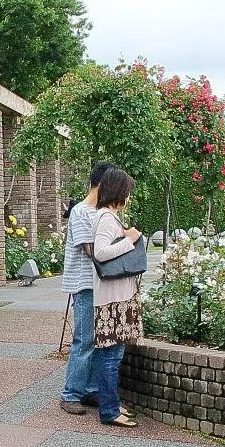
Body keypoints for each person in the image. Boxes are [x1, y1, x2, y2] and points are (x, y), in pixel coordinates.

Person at [60, 161, 114, 415]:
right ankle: (71, 393)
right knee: (85, 339)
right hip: (84, 284)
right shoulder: (82, 212)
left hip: (100, 284)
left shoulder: (100, 212)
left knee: (98, 340)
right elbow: (91, 250)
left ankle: (90, 390)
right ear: (103, 184)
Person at [91, 167, 144, 428]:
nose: (129, 197)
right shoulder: (106, 218)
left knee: (112, 355)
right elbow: (100, 252)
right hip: (113, 299)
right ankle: (109, 411)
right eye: (128, 192)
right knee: (110, 356)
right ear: (118, 192)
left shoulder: (108, 217)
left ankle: (111, 406)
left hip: (116, 298)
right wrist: (130, 239)